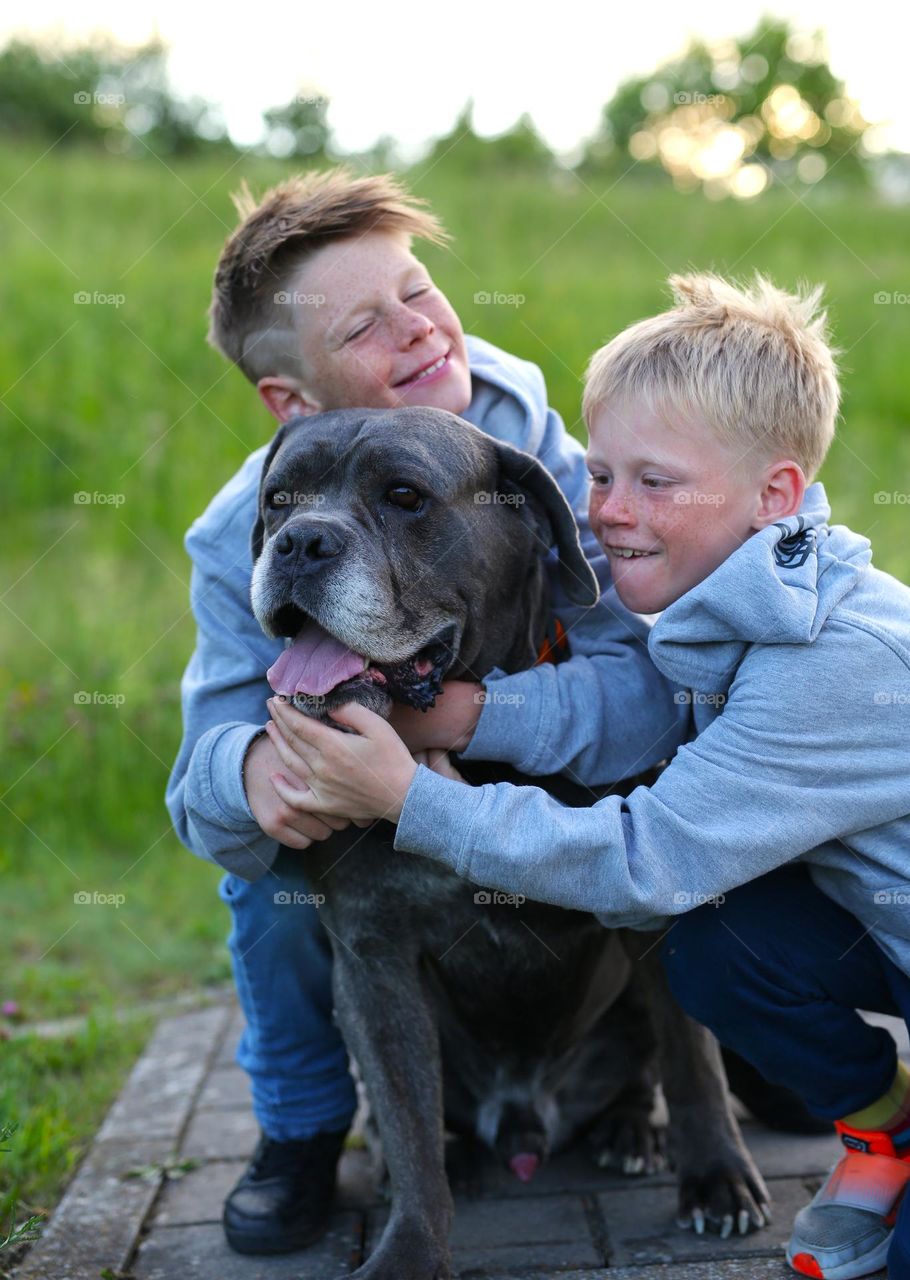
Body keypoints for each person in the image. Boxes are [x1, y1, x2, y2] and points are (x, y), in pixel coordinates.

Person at [271, 272, 910, 1280]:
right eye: (599, 475)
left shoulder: (840, 662)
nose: (608, 512)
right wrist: (457, 716)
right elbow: (628, 714)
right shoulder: (719, 601)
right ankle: (886, 1124)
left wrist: (408, 796)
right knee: (714, 938)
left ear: (773, 494)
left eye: (653, 482)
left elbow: (645, 859)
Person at [164, 166, 685, 1256]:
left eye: (416, 288)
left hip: (514, 738)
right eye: (364, 323)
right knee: (270, 877)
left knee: (654, 811)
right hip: (358, 785)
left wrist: (451, 720)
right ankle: (300, 1126)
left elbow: (643, 693)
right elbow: (198, 778)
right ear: (291, 404)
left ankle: (725, 1063)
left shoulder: (550, 466)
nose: (413, 328)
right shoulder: (234, 539)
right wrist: (252, 775)